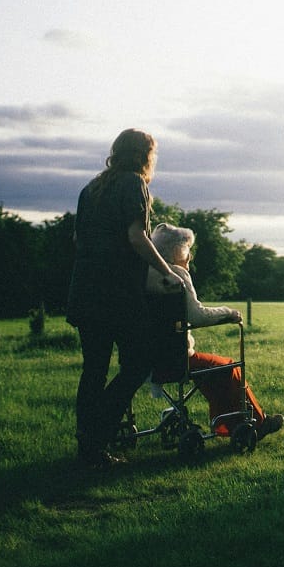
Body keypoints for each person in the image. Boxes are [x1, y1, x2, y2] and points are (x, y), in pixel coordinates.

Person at [66, 129, 185, 469]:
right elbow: (137, 237)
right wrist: (167, 271)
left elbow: (79, 238)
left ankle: (88, 446)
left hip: (85, 291)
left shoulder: (91, 189)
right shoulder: (134, 184)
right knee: (138, 363)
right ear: (145, 155)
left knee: (94, 369)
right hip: (115, 294)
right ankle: (96, 434)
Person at [145, 222, 284, 440]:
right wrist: (228, 312)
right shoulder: (177, 275)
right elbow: (197, 316)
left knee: (213, 369)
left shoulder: (146, 275)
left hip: (149, 358)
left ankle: (228, 425)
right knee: (228, 367)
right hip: (176, 358)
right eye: (187, 250)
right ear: (176, 251)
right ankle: (257, 422)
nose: (190, 257)